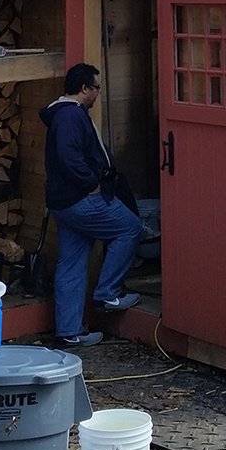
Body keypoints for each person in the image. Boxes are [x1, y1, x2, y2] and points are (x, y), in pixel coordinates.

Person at [41, 62, 142, 349]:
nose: (98, 93)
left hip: (62, 202)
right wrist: (91, 184)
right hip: (81, 200)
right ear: (84, 89)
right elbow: (69, 157)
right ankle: (107, 293)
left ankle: (68, 331)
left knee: (71, 264)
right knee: (130, 228)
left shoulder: (62, 114)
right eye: (96, 88)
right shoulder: (70, 117)